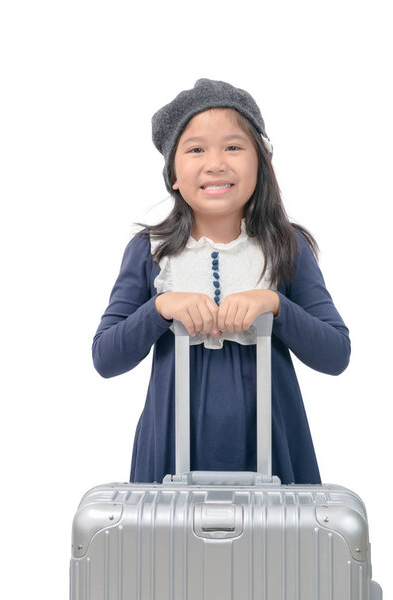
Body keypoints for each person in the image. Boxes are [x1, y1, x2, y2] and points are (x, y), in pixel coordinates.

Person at [92, 78, 350, 485]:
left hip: (274, 459)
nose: (216, 163)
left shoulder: (288, 246)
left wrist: (274, 304)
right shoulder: (151, 251)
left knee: (274, 551)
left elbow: (336, 354)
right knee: (168, 550)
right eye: (195, 149)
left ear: (261, 163)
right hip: (168, 461)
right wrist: (160, 308)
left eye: (233, 147)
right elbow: (106, 358)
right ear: (173, 174)